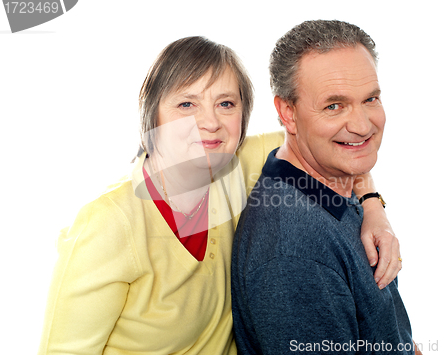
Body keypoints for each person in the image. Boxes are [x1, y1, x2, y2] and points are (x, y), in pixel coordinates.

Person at [38, 36, 401, 355]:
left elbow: (342, 142)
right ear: (151, 115)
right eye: (186, 104)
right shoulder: (107, 224)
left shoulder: (236, 166)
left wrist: (373, 206)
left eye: (226, 104)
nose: (209, 122)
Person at [231, 20, 419, 354]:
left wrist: (373, 202)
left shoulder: (326, 179)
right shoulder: (294, 251)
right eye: (334, 106)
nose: (362, 126)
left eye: (370, 99)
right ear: (288, 113)